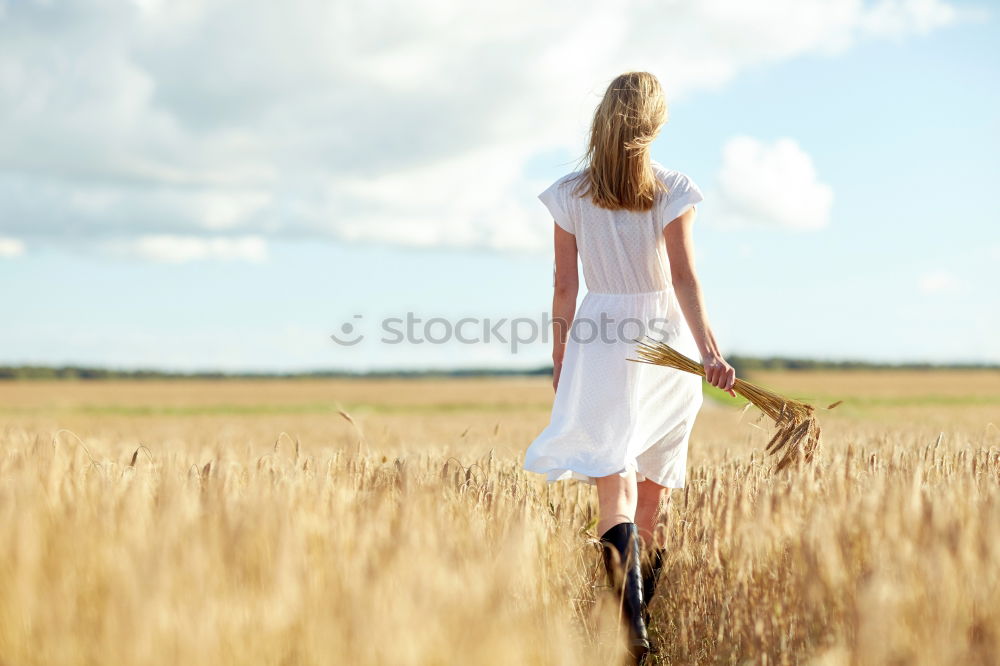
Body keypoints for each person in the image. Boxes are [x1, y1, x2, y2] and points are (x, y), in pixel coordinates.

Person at [522, 71, 736, 664]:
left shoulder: (568, 192)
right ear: (656, 123)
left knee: (610, 483)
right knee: (652, 495)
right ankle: (637, 627)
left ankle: (629, 628)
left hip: (599, 337)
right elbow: (685, 276)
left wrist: (562, 356)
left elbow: (565, 284)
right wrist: (711, 352)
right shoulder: (672, 187)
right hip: (666, 340)